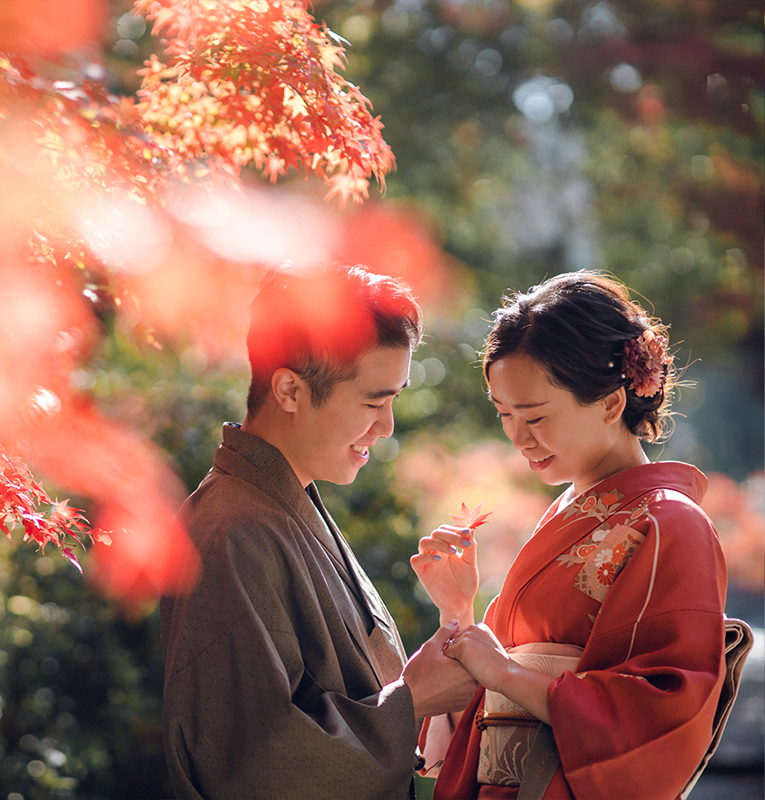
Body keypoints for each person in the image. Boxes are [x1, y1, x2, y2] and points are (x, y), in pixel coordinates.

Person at [160, 264, 479, 800]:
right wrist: (411, 702)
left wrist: (453, 626)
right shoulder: (231, 531)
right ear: (289, 389)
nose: (388, 427)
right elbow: (252, 764)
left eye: (394, 400)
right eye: (375, 401)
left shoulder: (283, 502)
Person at [412, 272, 728, 799]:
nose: (516, 436)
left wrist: (507, 676)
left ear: (610, 402)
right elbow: (487, 688)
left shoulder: (671, 523)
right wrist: (457, 613)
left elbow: (666, 703)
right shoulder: (568, 514)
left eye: (534, 415)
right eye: (504, 414)